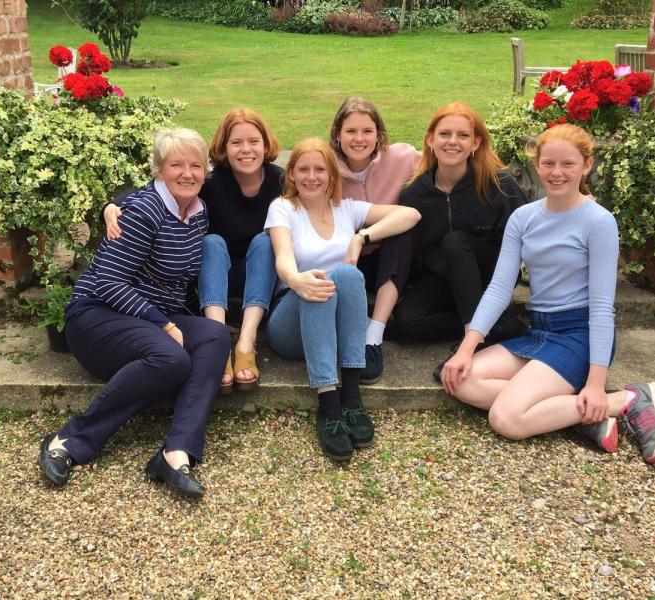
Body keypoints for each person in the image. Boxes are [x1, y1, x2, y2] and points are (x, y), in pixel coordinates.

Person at [439, 124, 655, 464]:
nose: (557, 173)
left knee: (506, 418)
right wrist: (467, 347)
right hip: (540, 330)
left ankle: (625, 400)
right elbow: (501, 288)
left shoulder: (599, 222)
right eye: (548, 164)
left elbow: (603, 308)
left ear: (586, 166)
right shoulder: (523, 217)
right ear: (537, 164)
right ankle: (581, 415)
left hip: (578, 335)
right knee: (459, 378)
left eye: (567, 164)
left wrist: (595, 383)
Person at [38, 128, 231, 497]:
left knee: (215, 335)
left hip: (147, 318)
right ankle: (69, 441)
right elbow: (109, 283)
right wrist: (165, 323)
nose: (187, 173)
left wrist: (173, 320)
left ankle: (176, 452)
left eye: (195, 165)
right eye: (176, 165)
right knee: (171, 357)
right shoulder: (143, 210)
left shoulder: (199, 212)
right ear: (159, 170)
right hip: (96, 317)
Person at [106, 109, 283, 395]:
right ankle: (219, 345)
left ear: (266, 144)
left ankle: (246, 341)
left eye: (254, 141)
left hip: (261, 276)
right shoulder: (210, 182)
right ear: (224, 147)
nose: (246, 150)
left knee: (265, 241)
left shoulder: (280, 182)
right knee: (212, 241)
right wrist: (112, 205)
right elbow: (154, 188)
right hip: (215, 275)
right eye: (236, 142)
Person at [265, 138, 421, 462]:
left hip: (334, 329)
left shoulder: (347, 209)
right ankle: (329, 406)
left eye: (319, 169)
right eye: (303, 169)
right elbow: (283, 258)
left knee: (348, 275)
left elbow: (410, 215)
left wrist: (361, 236)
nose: (311, 176)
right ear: (291, 174)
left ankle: (352, 399)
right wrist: (297, 279)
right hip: (291, 320)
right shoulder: (283, 208)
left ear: (331, 174)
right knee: (320, 279)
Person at [392, 102, 527, 375]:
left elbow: (524, 238)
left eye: (463, 135)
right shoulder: (414, 194)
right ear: (430, 140)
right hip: (442, 277)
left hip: (491, 277)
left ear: (476, 143)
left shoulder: (500, 186)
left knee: (455, 241)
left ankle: (473, 339)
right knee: (406, 324)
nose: (452, 142)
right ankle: (496, 326)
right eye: (444, 134)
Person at [330, 96, 420, 384]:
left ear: (379, 134)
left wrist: (363, 236)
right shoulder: (325, 167)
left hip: (391, 261)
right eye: (351, 131)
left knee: (401, 230)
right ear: (337, 135)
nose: (359, 139)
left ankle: (374, 336)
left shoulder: (402, 158)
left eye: (367, 131)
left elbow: (446, 159)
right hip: (346, 264)